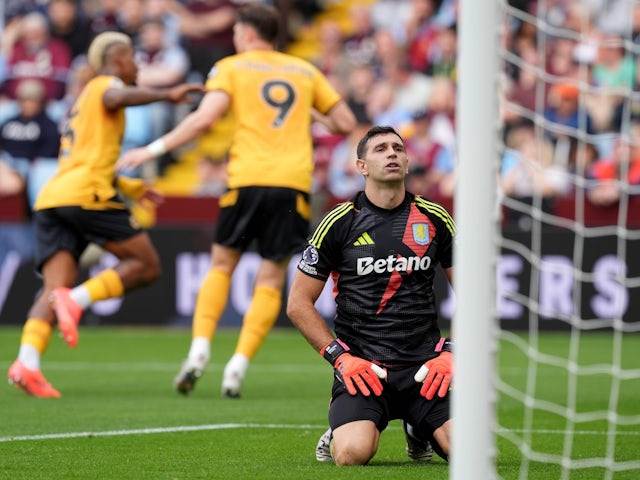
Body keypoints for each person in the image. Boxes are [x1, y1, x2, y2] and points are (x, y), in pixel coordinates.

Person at [116, 2, 356, 398]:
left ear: (245, 33)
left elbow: (205, 118)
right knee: (270, 275)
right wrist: (311, 114)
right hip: (291, 184)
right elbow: (346, 123)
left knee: (222, 264)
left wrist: (153, 149)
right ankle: (238, 366)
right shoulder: (304, 70)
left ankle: (198, 350)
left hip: (246, 179)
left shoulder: (232, 66)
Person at [7, 31, 205, 398]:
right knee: (146, 266)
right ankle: (77, 301)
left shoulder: (81, 102)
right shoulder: (104, 84)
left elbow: (91, 157)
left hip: (55, 198)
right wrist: (168, 93)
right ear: (116, 59)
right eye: (132, 57)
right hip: (87, 196)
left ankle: (27, 363)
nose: (137, 64)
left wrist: (131, 187)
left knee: (53, 287)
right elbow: (118, 96)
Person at [286, 125, 455, 465]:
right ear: (361, 166)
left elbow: (477, 298)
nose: (391, 153)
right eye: (380, 149)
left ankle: (417, 428)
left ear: (407, 162)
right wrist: (340, 358)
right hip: (365, 369)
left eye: (397, 148)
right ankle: (342, 426)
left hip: (425, 369)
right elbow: (297, 305)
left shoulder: (435, 218)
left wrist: (451, 353)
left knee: (471, 452)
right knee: (351, 454)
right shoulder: (338, 222)